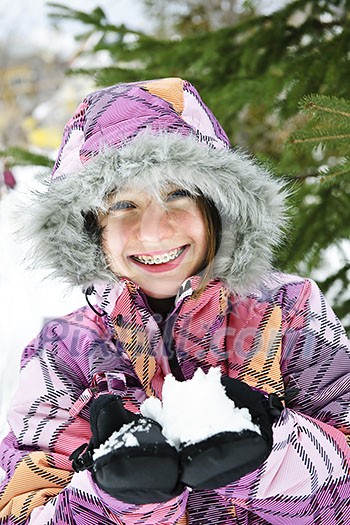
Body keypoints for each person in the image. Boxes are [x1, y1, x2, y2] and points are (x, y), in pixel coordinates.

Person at [0, 77, 349, 525]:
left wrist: (268, 457)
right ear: (91, 229)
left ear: (217, 206)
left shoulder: (289, 311)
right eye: (122, 204)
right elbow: (20, 509)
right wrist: (117, 498)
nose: (153, 231)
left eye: (177, 194)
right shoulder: (65, 349)